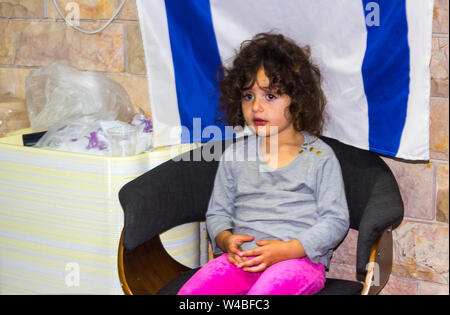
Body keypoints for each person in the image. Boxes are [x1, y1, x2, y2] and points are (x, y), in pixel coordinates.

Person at [177, 33, 349, 295]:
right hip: (242, 261)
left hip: (298, 262)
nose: (256, 107)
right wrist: (225, 239)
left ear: (298, 100)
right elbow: (217, 214)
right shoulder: (235, 156)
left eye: (270, 96)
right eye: (248, 96)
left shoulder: (319, 157)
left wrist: (289, 248)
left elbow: (335, 220)